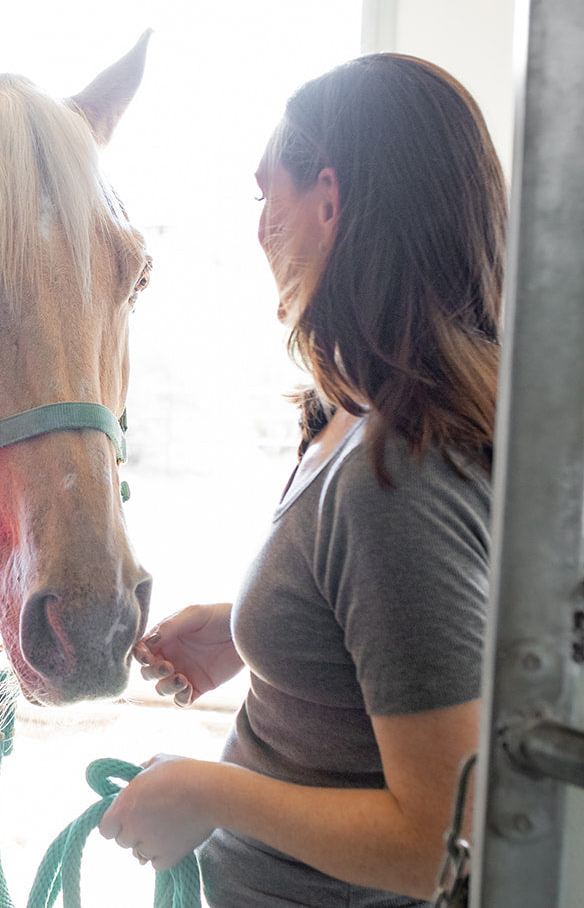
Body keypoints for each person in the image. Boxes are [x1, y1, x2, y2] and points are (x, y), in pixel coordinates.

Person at [98, 54, 504, 906]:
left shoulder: (396, 479)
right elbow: (388, 645)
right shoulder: (350, 416)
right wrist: (261, 638)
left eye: (264, 195)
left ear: (329, 200)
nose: (259, 230)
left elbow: (437, 841)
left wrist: (208, 791)